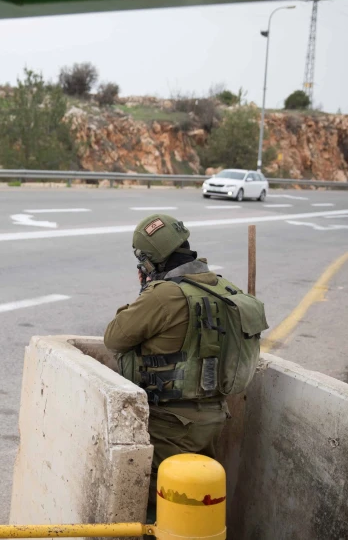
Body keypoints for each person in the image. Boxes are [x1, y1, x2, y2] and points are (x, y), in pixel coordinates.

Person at [104, 213, 267, 514]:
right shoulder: (223, 288)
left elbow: (114, 337)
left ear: (151, 261)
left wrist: (145, 290)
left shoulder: (164, 295)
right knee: (194, 505)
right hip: (213, 417)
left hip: (170, 425)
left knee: (164, 508)